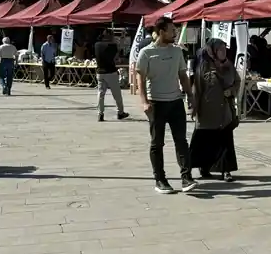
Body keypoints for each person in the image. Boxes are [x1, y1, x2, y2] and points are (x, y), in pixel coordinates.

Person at [136, 16, 196, 194]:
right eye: (172, 30)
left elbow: (183, 75)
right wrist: (144, 102)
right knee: (157, 143)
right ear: (161, 32)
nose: (175, 33)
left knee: (181, 141)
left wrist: (190, 96)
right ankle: (160, 180)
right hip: (156, 103)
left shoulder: (177, 52)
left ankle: (186, 177)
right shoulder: (146, 52)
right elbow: (140, 76)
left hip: (176, 102)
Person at [190, 38, 240, 181]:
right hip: (207, 109)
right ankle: (203, 167)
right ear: (212, 51)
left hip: (225, 110)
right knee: (205, 140)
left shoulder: (229, 65)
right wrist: (194, 107)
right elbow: (197, 88)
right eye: (220, 49)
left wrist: (231, 91)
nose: (223, 52)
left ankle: (226, 170)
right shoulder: (203, 66)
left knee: (225, 140)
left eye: (225, 49)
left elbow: (237, 81)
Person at [94, 30, 128, 122]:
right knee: (117, 94)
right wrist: (122, 39)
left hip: (100, 72)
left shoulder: (97, 45)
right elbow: (117, 55)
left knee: (101, 94)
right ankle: (120, 112)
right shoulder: (112, 45)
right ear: (109, 36)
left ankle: (100, 114)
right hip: (110, 72)